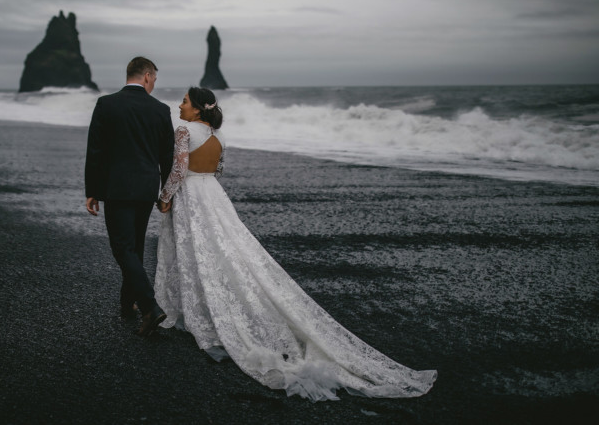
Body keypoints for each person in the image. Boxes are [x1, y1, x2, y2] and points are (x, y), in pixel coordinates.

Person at [154, 87, 437, 401]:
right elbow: (219, 169)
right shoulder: (220, 137)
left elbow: (179, 169)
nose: (179, 105)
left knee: (196, 252)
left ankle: (197, 310)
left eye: (184, 101)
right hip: (214, 195)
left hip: (192, 195)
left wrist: (165, 197)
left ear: (196, 109)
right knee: (227, 251)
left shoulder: (183, 130)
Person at [85, 56, 174, 336]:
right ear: (147, 76)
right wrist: (166, 193)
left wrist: (93, 191)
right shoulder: (160, 109)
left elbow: (96, 151)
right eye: (155, 79)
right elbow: (167, 157)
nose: (154, 84)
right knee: (133, 246)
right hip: (147, 187)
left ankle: (149, 307)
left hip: (117, 187)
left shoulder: (107, 104)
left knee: (123, 248)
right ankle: (127, 304)